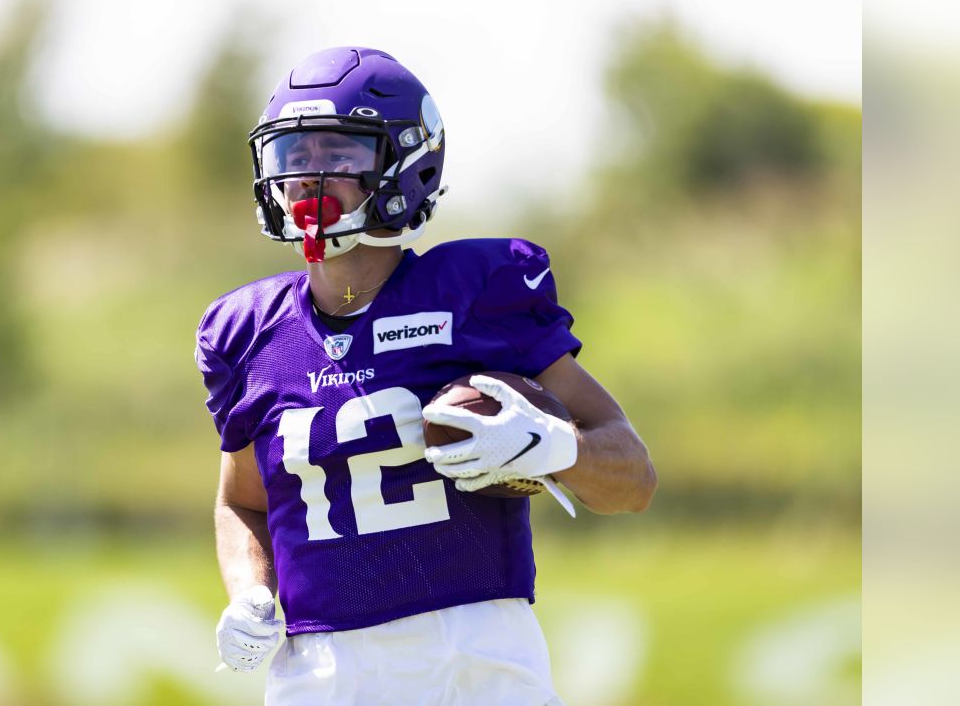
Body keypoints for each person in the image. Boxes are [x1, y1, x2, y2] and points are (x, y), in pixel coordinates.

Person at [195, 46, 656, 705]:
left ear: (405, 162)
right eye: (294, 157)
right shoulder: (247, 331)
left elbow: (634, 479)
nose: (307, 178)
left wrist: (555, 447)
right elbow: (241, 500)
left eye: (336, 154)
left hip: (473, 662)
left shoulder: (474, 293)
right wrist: (249, 593)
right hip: (318, 674)